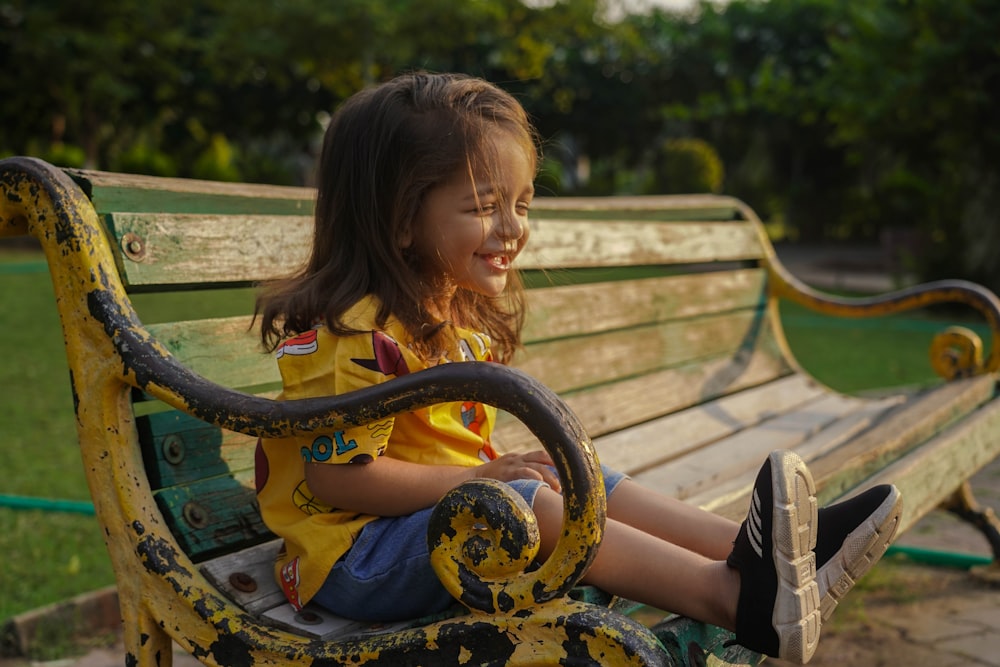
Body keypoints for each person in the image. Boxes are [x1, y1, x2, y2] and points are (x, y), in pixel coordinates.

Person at [254, 71, 902, 664]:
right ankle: (737, 601)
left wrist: (490, 474)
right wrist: (482, 475)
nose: (513, 228)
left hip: (430, 526)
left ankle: (766, 555)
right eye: (484, 206)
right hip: (354, 558)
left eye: (523, 203)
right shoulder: (353, 332)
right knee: (524, 499)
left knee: (580, 474)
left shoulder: (444, 317)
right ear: (399, 219)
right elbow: (341, 480)